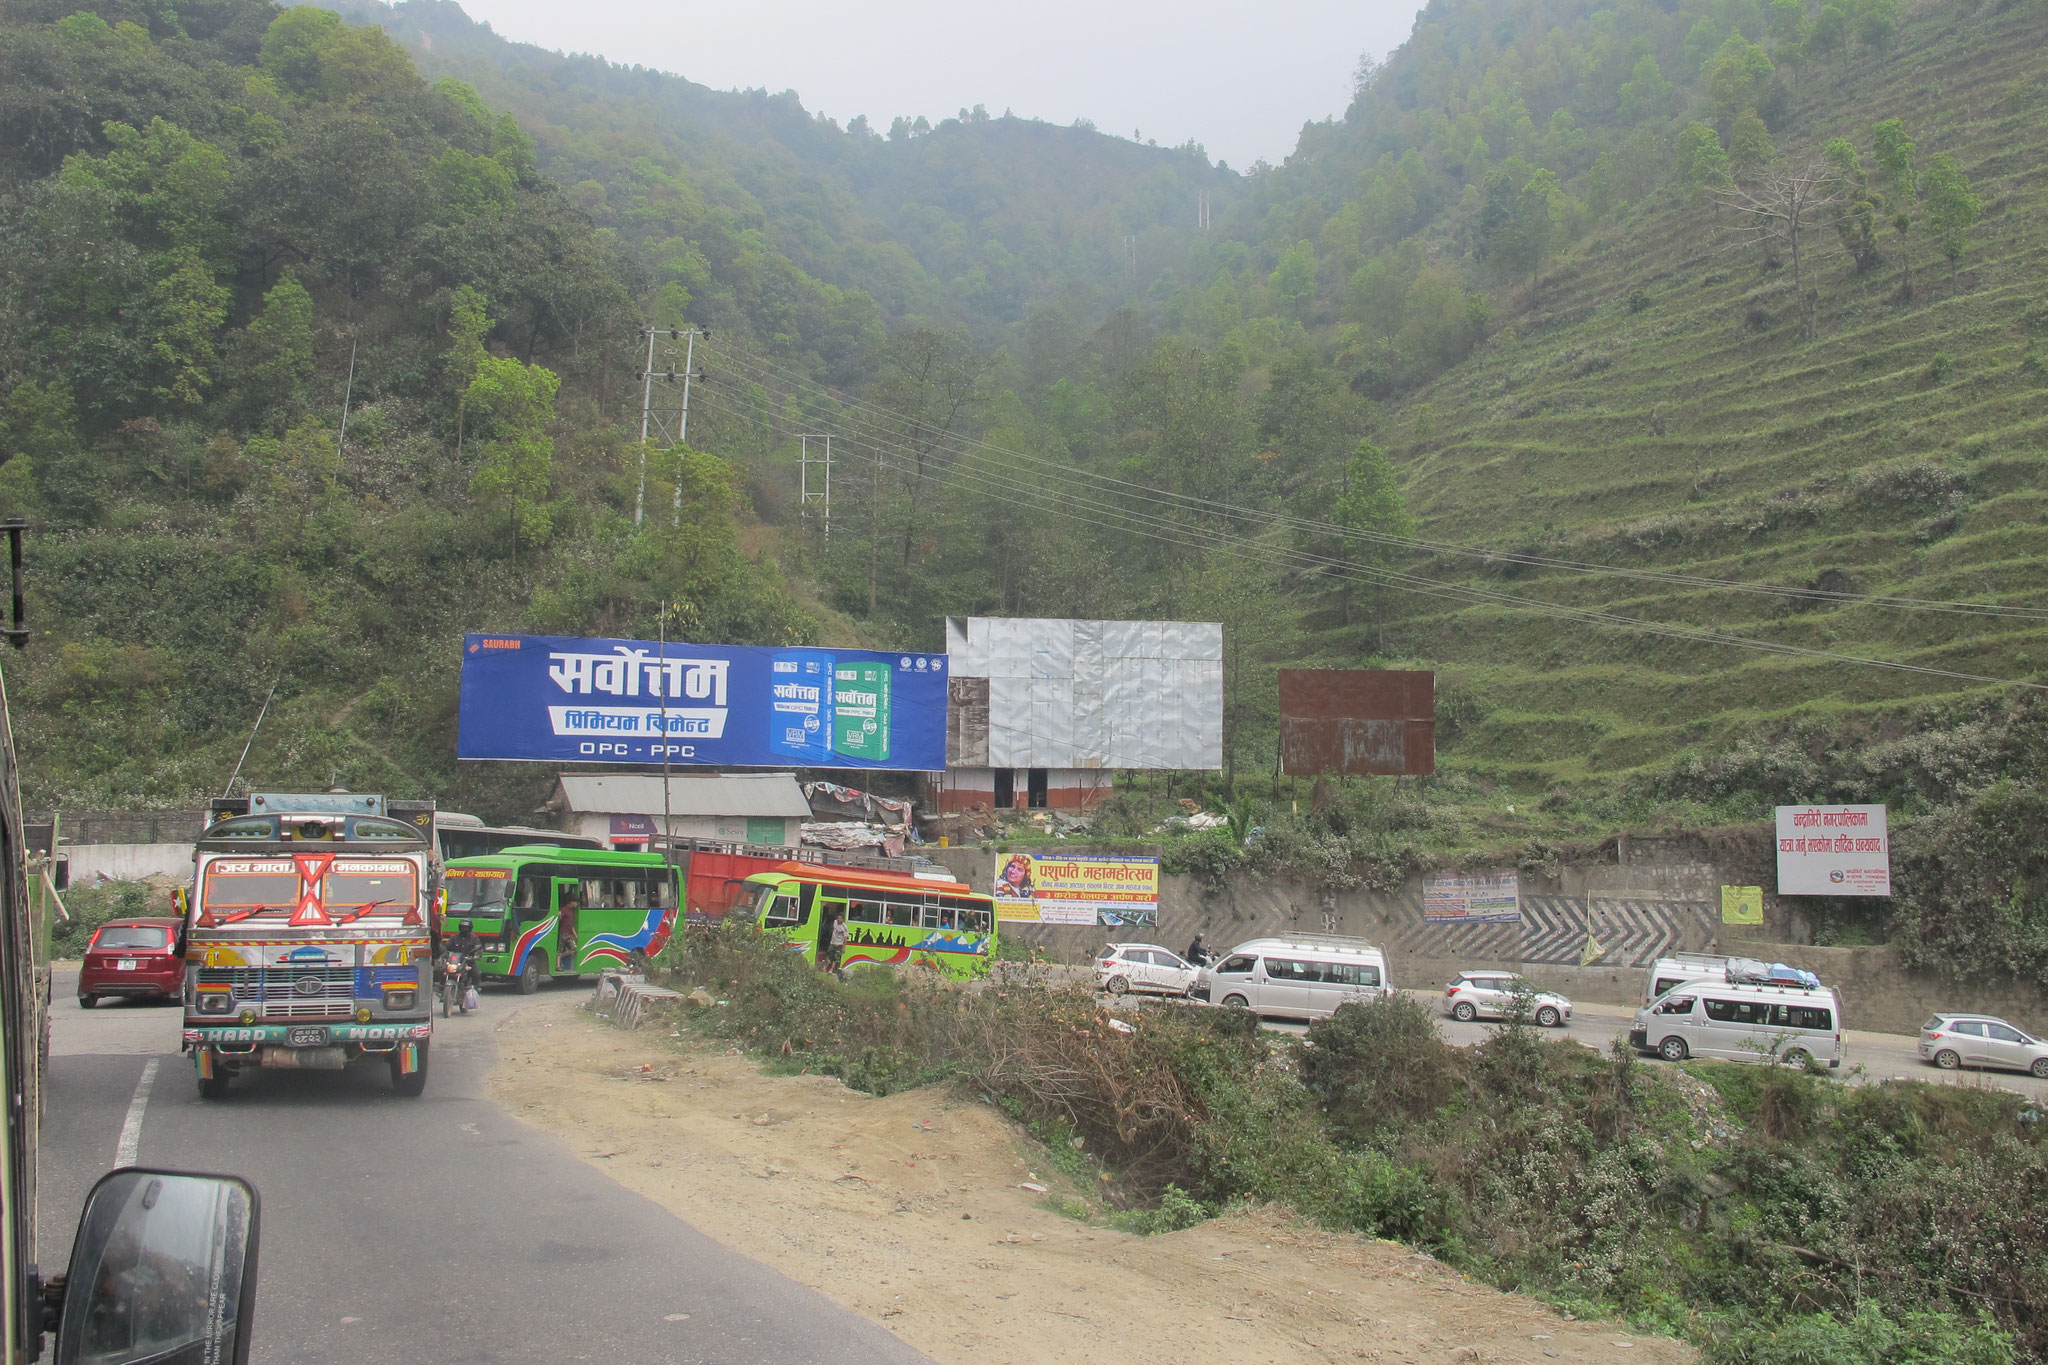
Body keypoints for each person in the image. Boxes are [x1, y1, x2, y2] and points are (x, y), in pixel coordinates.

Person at [557, 890, 580, 971]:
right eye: (576, 902)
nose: (576, 904)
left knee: (573, 949)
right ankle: (558, 965)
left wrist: (575, 935)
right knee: (560, 949)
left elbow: (571, 925)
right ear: (571, 902)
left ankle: (559, 960)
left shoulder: (572, 911)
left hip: (569, 933)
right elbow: (559, 915)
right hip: (563, 932)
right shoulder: (564, 909)